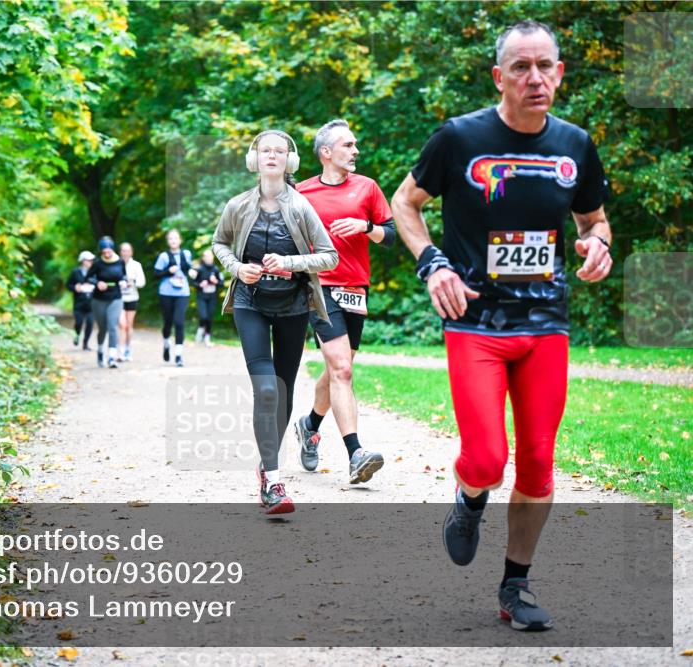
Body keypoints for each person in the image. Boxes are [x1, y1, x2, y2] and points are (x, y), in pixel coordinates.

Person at [391, 20, 612, 631]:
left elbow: (594, 220)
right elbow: (403, 204)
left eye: (545, 66)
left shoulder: (575, 144)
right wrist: (431, 263)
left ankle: (515, 586)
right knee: (488, 460)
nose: (534, 77)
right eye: (521, 67)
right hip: (475, 322)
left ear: (560, 74)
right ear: (499, 76)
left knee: (539, 462)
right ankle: (469, 498)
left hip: (545, 323)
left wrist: (598, 246)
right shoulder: (459, 137)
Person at [213, 130, 338, 515]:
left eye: (279, 151)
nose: (271, 156)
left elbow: (329, 256)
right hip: (251, 301)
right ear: (255, 159)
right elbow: (219, 243)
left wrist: (290, 263)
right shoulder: (237, 205)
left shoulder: (301, 207)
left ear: (290, 160)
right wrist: (237, 268)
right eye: (265, 150)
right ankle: (273, 476)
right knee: (266, 390)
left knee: (282, 392)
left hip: (294, 306)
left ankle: (268, 468)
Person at [293, 119, 396, 484]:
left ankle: (309, 425)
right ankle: (356, 454)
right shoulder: (301, 193)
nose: (355, 151)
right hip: (318, 287)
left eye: (354, 145)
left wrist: (365, 227)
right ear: (326, 153)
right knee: (342, 370)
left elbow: (392, 235)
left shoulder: (367, 187)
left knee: (339, 369)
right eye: (348, 145)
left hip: (356, 288)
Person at [86, 236, 130, 369]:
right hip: (99, 299)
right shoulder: (98, 264)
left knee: (113, 326)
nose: (106, 254)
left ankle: (112, 357)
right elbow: (88, 277)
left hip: (115, 297)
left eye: (109, 251)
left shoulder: (120, 262)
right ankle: (100, 350)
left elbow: (123, 275)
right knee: (103, 328)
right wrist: (97, 282)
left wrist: (123, 281)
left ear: (112, 250)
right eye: (104, 252)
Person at [153, 229, 194, 367]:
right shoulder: (164, 256)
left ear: (180, 240)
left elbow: (189, 270)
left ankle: (178, 355)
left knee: (179, 322)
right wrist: (167, 272)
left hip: (182, 292)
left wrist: (193, 272)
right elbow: (156, 274)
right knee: (168, 323)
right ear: (168, 241)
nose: (173, 241)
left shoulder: (186, 254)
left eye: (175, 238)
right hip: (166, 293)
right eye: (170, 239)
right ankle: (166, 343)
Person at [118, 242, 146, 361]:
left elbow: (142, 282)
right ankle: (121, 351)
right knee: (122, 325)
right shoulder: (116, 265)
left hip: (132, 298)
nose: (125, 253)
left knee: (129, 326)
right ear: (120, 252)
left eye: (128, 250)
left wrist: (132, 282)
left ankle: (128, 348)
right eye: (123, 251)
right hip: (119, 299)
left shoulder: (136, 265)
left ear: (131, 252)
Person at [191, 249, 224, 346]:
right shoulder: (199, 269)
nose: (209, 258)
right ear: (203, 258)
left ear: (213, 257)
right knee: (203, 316)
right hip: (201, 297)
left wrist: (216, 282)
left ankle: (207, 338)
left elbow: (221, 284)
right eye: (207, 256)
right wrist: (200, 285)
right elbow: (193, 282)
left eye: (210, 256)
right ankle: (200, 331)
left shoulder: (216, 269)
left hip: (212, 297)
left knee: (209, 318)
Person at [66, 251, 95, 350]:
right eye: (88, 260)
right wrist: (75, 287)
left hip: (91, 303)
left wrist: (94, 286)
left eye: (91, 260)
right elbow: (68, 285)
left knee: (90, 323)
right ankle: (77, 335)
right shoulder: (75, 272)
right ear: (83, 261)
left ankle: (85, 343)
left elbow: (98, 283)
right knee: (79, 322)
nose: (90, 262)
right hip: (79, 303)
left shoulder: (94, 272)